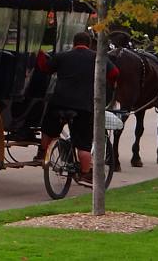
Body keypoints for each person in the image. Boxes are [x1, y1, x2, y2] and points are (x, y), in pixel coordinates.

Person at [35, 31, 119, 186]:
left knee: (48, 129)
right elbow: (114, 73)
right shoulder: (98, 58)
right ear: (89, 44)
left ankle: (42, 153)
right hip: (84, 106)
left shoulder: (63, 56)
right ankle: (85, 174)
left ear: (74, 43)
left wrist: (39, 54)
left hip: (59, 102)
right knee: (83, 143)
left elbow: (45, 68)